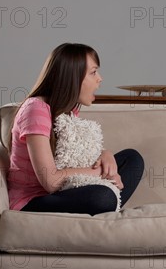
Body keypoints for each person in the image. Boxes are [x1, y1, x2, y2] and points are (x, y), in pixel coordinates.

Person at [7, 43, 144, 216]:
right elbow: (51, 181)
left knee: (132, 159)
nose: (99, 79)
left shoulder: (67, 110)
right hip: (34, 201)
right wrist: (103, 173)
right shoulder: (36, 109)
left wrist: (106, 156)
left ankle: (101, 208)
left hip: (65, 192)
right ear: (72, 77)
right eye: (93, 72)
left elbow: (75, 157)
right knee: (103, 197)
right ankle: (103, 206)